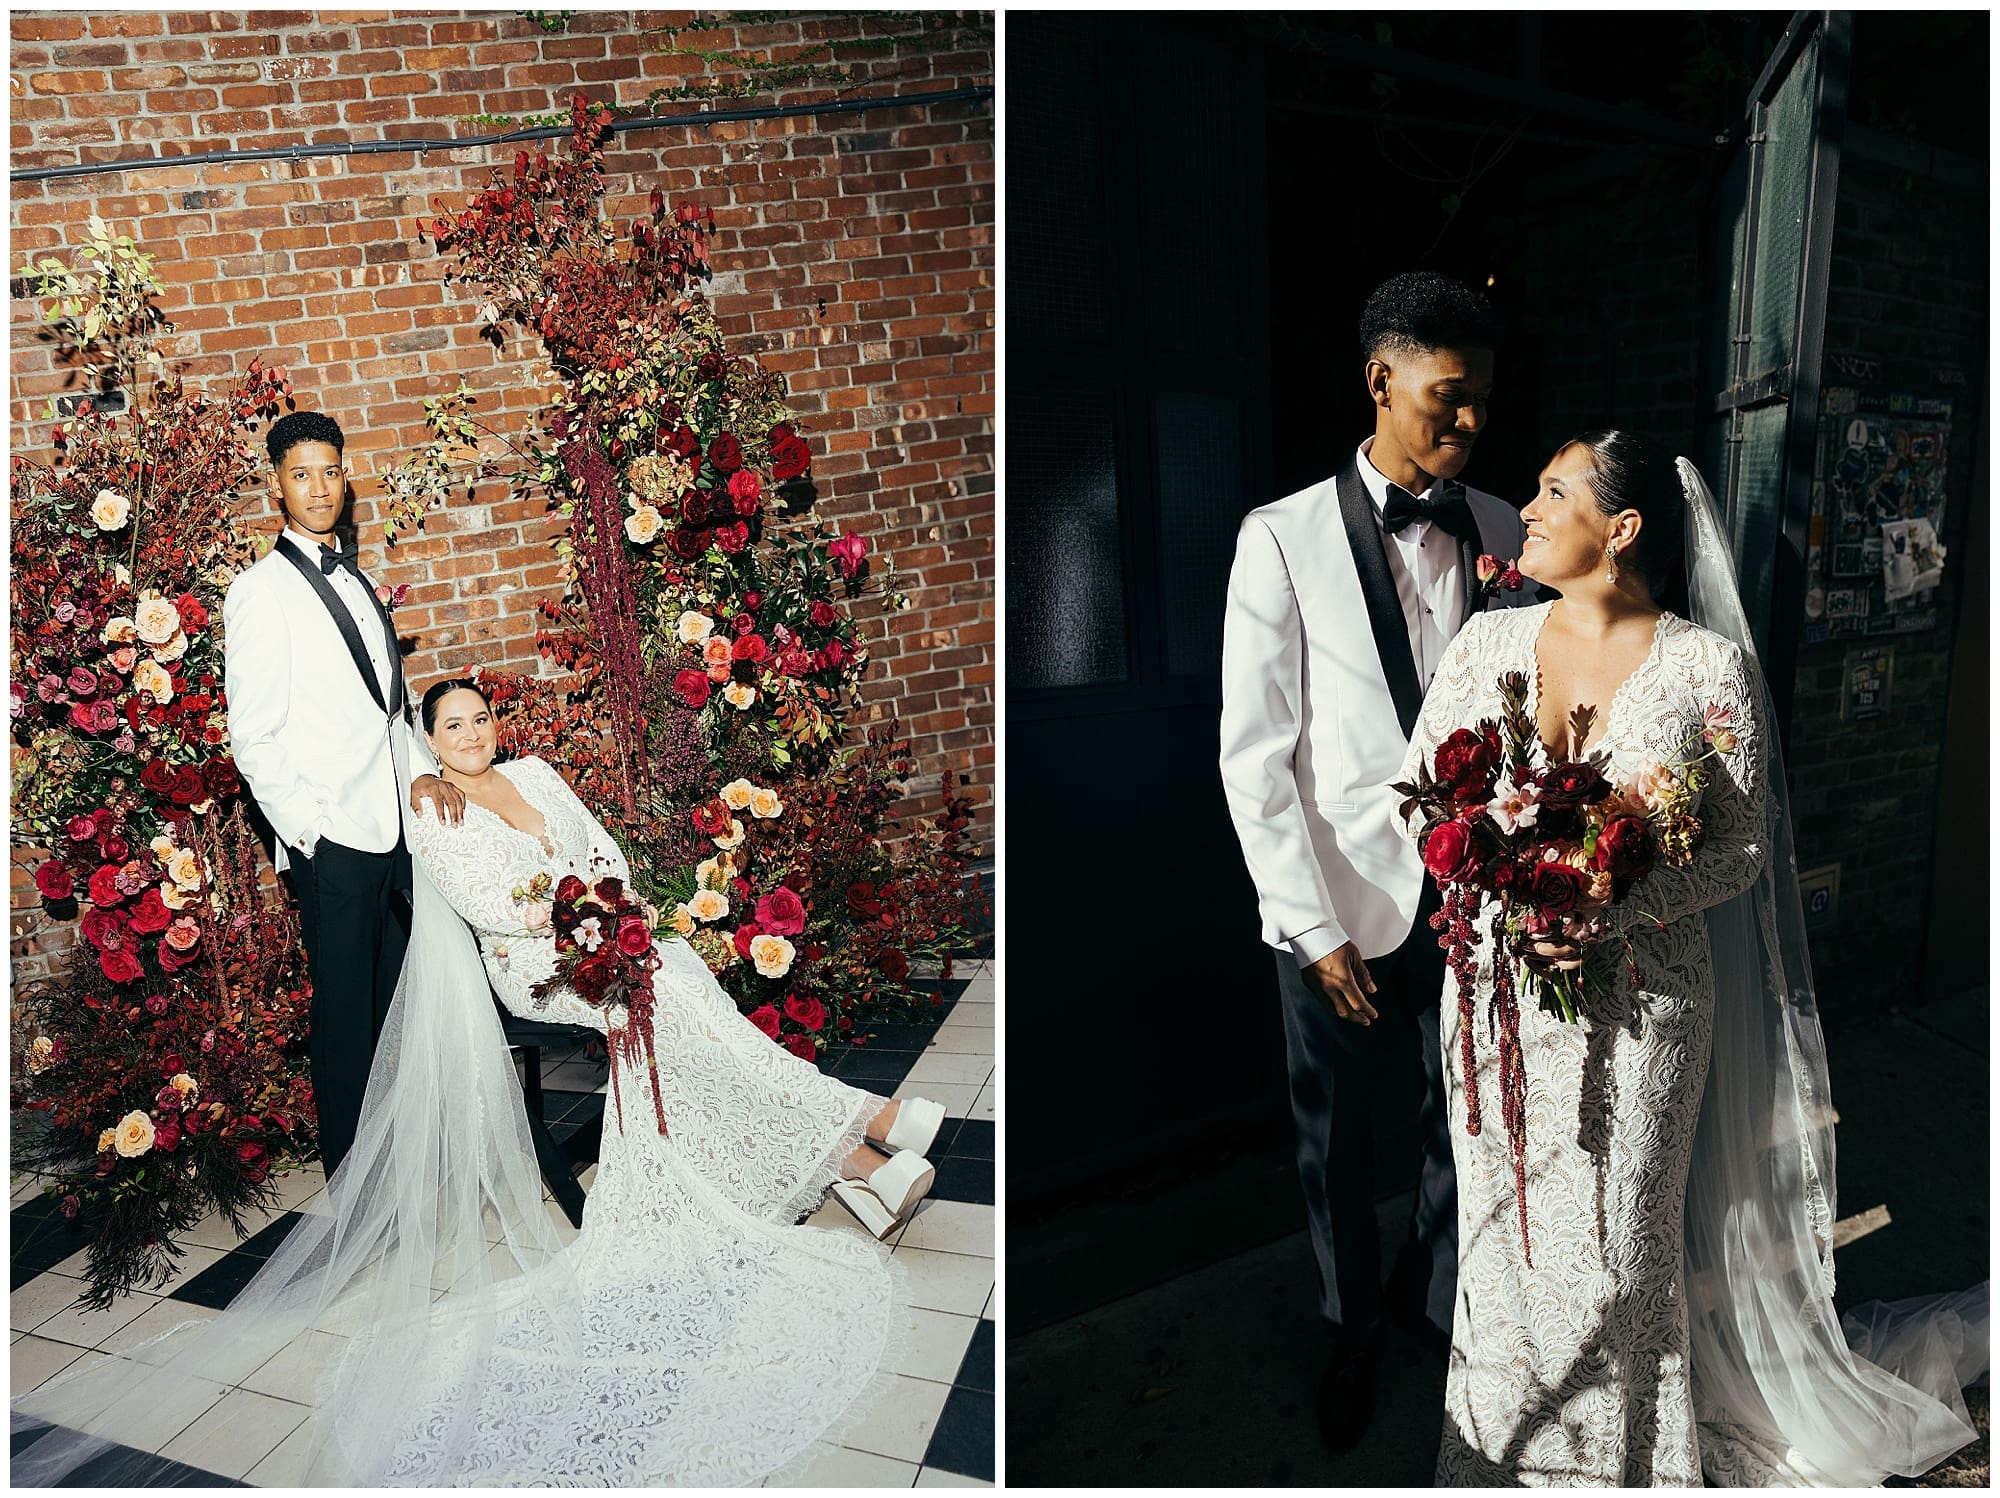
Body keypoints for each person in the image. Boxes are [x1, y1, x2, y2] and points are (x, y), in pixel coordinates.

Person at [14, 676, 950, 1485]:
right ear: (429, 739)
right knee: (656, 999)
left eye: (479, 720)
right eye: (451, 726)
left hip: (601, 935)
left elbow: (602, 857)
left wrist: (605, 917)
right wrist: (577, 927)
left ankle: (864, 1158)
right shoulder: (432, 809)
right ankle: (868, 1131)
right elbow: (491, 904)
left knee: (680, 984)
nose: (470, 736)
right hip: (533, 963)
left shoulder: (536, 775)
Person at [1398, 431, 1983, 1485]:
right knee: (1500, 1251)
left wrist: (1608, 910)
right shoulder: (1486, 646)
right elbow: (1419, 802)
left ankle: (1630, 1467)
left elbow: (1743, 841)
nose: (1523, 508)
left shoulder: (1705, 666)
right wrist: (1499, 881)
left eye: (1551, 490)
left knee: (1623, 1249)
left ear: (1619, 529)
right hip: (1495, 1005)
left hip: (1645, 1010)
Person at [1218, 271, 1533, 1448]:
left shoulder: (1504, 528)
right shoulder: (1280, 537)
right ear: (1379, 378)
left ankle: (1433, 1296)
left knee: (1469, 1118)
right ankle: (1350, 1330)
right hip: (1338, 907)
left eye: (1482, 403)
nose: (1466, 426)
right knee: (1334, 1140)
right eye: (1446, 398)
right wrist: (1309, 928)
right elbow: (1254, 757)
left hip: (1476, 902)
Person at [222, 409, 465, 1174]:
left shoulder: (357, 577)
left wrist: (420, 768)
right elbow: (252, 737)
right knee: (345, 1024)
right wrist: (310, 832)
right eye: (301, 475)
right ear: (277, 486)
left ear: (344, 476)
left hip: (395, 830)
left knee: (399, 1009)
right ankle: (353, 1190)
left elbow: (385, 704)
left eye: (329, 471)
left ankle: (404, 1172)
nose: (318, 487)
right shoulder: (260, 593)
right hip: (333, 841)